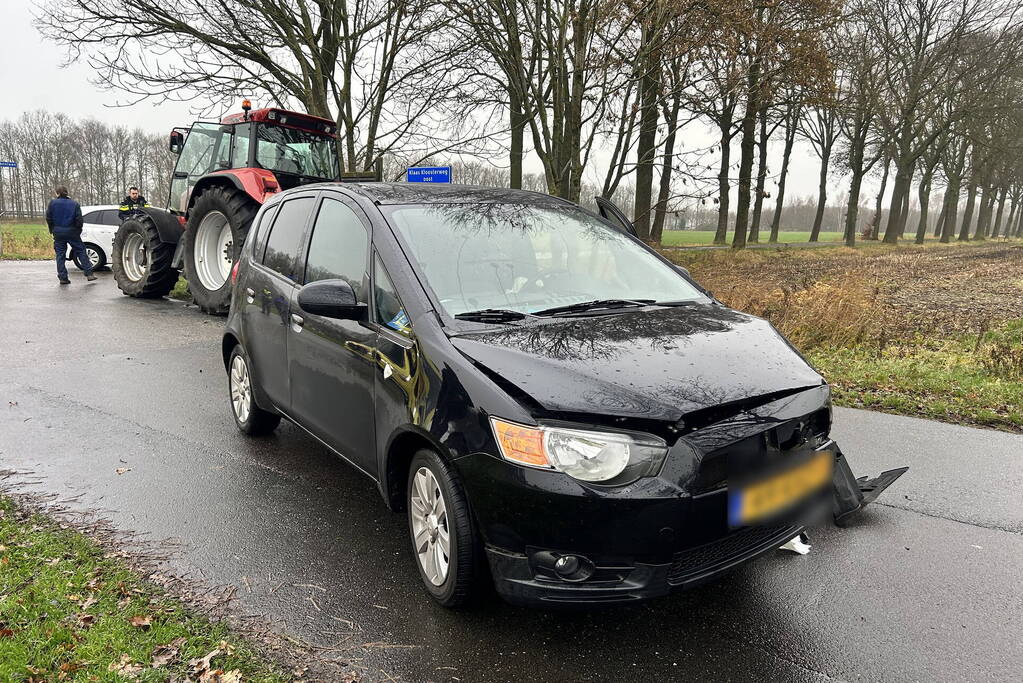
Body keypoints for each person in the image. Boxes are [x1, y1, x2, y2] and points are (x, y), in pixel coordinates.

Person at [46, 185, 96, 285]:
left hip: (58, 233)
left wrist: (52, 229)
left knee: (60, 255)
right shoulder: (74, 204)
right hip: (72, 232)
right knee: (81, 251)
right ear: (67, 193)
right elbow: (79, 220)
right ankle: (89, 273)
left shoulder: (52, 203)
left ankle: (63, 278)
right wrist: (78, 230)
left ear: (57, 193)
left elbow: (48, 218)